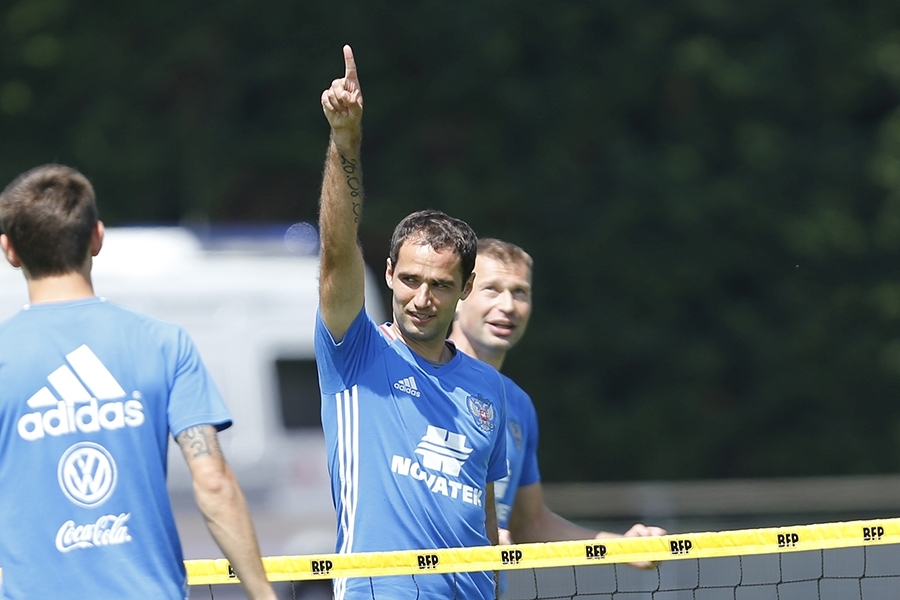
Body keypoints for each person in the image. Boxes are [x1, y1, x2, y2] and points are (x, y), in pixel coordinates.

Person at [0, 164, 276, 600]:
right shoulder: (163, 342)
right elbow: (214, 483)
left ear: (9, 250)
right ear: (97, 237)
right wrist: (263, 594)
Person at [316, 45, 507, 600]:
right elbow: (336, 251)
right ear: (388, 274)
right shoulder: (354, 351)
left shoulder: (488, 387)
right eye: (410, 280)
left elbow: (484, 521)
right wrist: (345, 141)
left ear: (465, 289)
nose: (421, 298)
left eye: (440, 285)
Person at [449, 238, 667, 559]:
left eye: (520, 292)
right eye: (491, 289)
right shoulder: (419, 380)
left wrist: (622, 547)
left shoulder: (518, 404)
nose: (508, 305)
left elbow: (530, 524)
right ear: (458, 296)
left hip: (483, 585)